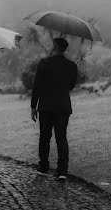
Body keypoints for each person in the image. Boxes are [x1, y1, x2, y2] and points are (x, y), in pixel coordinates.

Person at [31, 37, 78, 179]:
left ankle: (43, 166)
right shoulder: (71, 65)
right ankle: (62, 171)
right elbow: (71, 86)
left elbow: (37, 86)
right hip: (63, 106)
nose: (50, 47)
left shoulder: (44, 64)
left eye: (52, 45)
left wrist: (33, 106)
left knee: (44, 137)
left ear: (55, 47)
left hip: (46, 106)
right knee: (61, 137)